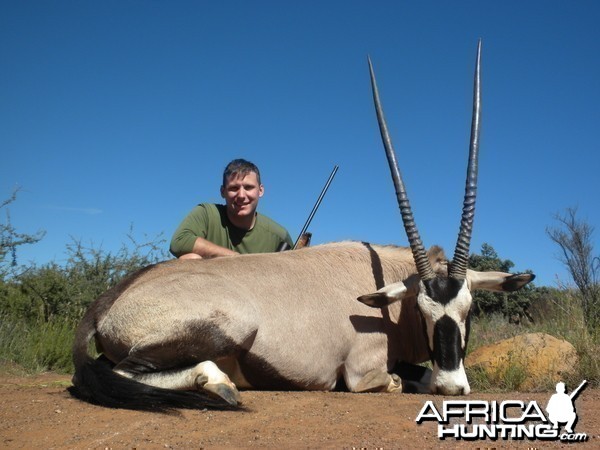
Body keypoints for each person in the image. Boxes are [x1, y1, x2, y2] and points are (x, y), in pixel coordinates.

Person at [170, 159, 293, 259]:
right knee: (190, 259)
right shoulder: (206, 213)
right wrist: (236, 259)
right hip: (212, 287)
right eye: (234, 188)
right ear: (223, 192)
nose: (241, 195)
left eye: (248, 187)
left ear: (260, 191)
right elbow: (179, 242)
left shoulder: (280, 236)